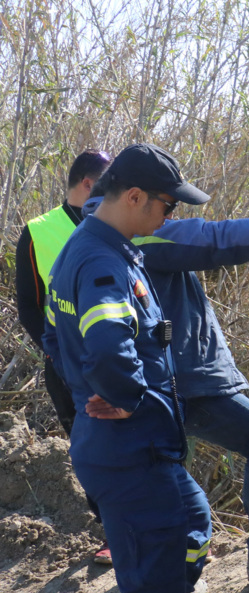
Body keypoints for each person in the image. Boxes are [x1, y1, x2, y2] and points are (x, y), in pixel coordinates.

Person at [81, 188, 249, 581]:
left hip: (151, 388)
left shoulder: (88, 252)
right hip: (191, 383)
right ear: (130, 203)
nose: (168, 217)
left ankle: (168, 570)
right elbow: (216, 239)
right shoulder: (144, 240)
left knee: (171, 479)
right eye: (165, 207)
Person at [42, 144, 213, 593]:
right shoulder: (100, 261)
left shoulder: (95, 247)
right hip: (128, 447)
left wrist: (92, 388)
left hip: (136, 445)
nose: (169, 214)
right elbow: (111, 350)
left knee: (195, 521)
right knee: (148, 587)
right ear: (134, 196)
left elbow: (53, 337)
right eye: (167, 204)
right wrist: (127, 396)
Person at [14, 149, 114, 565]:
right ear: (89, 184)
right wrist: (57, 356)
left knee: (146, 440)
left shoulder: (120, 219)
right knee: (89, 449)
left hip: (119, 355)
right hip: (66, 366)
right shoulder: (38, 232)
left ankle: (167, 527)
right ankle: (112, 532)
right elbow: (29, 308)